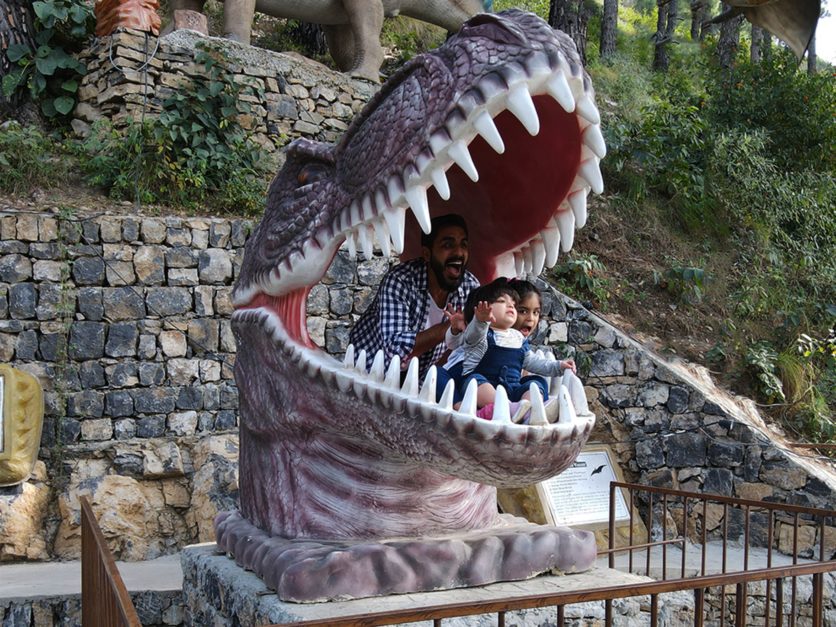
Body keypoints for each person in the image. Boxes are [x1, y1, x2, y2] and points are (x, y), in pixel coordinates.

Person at [349, 214, 479, 382]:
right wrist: (449, 327)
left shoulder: (470, 287)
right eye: (448, 245)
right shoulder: (401, 281)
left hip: (414, 378)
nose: (459, 252)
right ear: (427, 253)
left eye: (464, 244)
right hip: (367, 371)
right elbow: (396, 349)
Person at [445, 278, 575, 420]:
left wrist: (558, 366)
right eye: (502, 302)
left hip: (512, 390)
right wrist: (480, 321)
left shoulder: (518, 339)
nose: (510, 307)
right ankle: (510, 409)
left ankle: (530, 409)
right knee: (474, 381)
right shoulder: (482, 334)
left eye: (513, 304)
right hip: (489, 388)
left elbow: (533, 361)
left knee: (538, 382)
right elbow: (471, 335)